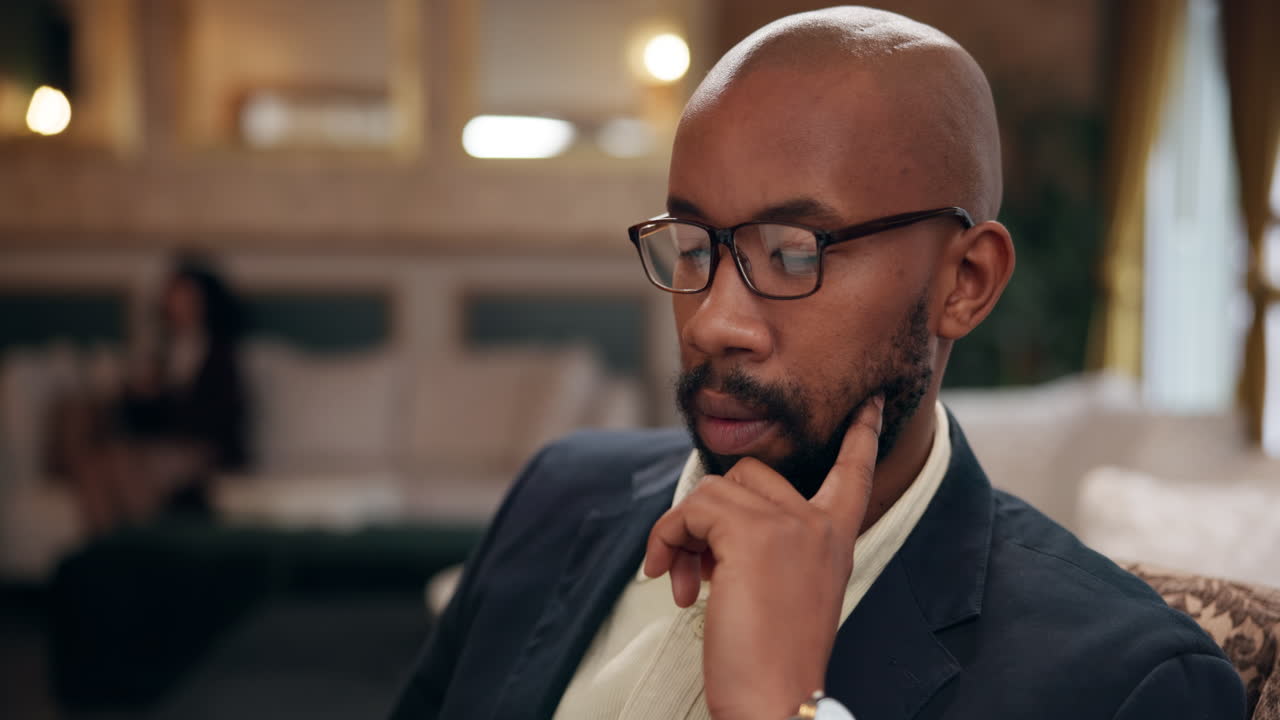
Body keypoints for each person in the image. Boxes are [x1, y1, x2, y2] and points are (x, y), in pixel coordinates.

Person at [389, 7, 1245, 719]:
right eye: (693, 246)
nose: (713, 322)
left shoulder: (1127, 684)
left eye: (795, 254)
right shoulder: (561, 492)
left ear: (965, 282)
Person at [56, 256, 249, 534]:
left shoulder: (220, 354)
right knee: (98, 465)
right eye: (174, 296)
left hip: (202, 449)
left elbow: (219, 417)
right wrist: (137, 394)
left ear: (204, 301)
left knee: (129, 465)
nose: (178, 304)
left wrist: (165, 397)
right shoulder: (162, 354)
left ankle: (145, 550)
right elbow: (144, 419)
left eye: (186, 296)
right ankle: (107, 551)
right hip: (157, 444)